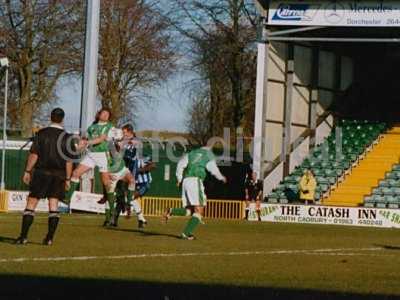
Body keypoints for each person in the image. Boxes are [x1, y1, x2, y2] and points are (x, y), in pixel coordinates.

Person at [15, 108, 77, 245]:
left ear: (51, 117)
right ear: (62, 119)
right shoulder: (67, 138)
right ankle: (49, 238)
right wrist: (68, 179)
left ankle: (23, 237)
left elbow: (34, 155)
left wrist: (27, 171)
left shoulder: (41, 134)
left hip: (42, 173)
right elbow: (69, 161)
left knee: (31, 203)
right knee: (53, 204)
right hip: (59, 175)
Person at [65, 107, 116, 226]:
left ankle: (111, 214)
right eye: (104, 113)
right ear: (99, 114)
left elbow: (101, 139)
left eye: (108, 114)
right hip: (91, 154)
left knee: (107, 184)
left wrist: (87, 143)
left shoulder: (109, 126)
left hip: (103, 155)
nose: (106, 116)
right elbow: (83, 141)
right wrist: (77, 148)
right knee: (75, 173)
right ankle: (67, 199)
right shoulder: (91, 127)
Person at [164, 145, 227, 240]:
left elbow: (180, 164)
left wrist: (179, 179)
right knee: (199, 210)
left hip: (186, 181)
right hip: (195, 180)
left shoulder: (191, 153)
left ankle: (172, 211)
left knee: (190, 210)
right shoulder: (208, 154)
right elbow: (213, 169)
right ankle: (186, 233)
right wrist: (221, 177)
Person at [113, 124, 152, 228]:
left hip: (130, 171)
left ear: (130, 132)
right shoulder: (123, 141)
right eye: (123, 132)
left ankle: (115, 219)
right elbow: (118, 150)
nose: (123, 134)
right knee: (121, 196)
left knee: (127, 196)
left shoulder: (136, 140)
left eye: (124, 132)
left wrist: (123, 141)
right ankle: (140, 219)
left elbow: (135, 143)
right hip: (121, 169)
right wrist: (116, 143)